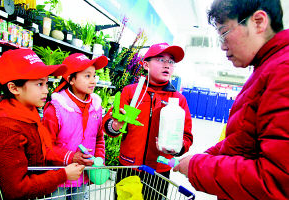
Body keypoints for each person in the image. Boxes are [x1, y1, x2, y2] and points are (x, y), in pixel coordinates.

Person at [173, 0, 289, 199]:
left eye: (224, 33)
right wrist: (203, 157)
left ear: (259, 22)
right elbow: (242, 138)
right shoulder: (266, 68)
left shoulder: (283, 71)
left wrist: (197, 166)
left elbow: (276, 179)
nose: (222, 46)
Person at [0, 49, 85, 200]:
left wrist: (71, 157)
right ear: (14, 88)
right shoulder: (5, 126)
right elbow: (16, 189)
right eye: (39, 84)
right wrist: (63, 175)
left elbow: (42, 150)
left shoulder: (28, 113)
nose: (46, 90)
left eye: (46, 83)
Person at [102, 43, 193, 199]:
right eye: (161, 60)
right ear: (145, 64)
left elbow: (186, 136)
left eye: (171, 62)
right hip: (129, 166)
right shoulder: (130, 92)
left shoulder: (178, 100)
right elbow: (109, 122)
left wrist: (177, 148)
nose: (167, 65)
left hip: (159, 171)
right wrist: (115, 125)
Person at [42, 53, 108, 199]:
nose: (93, 81)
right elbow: (45, 146)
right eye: (87, 76)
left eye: (94, 75)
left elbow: (99, 138)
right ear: (71, 79)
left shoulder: (96, 107)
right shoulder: (56, 109)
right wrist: (72, 157)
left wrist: (98, 161)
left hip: (82, 177)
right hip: (58, 178)